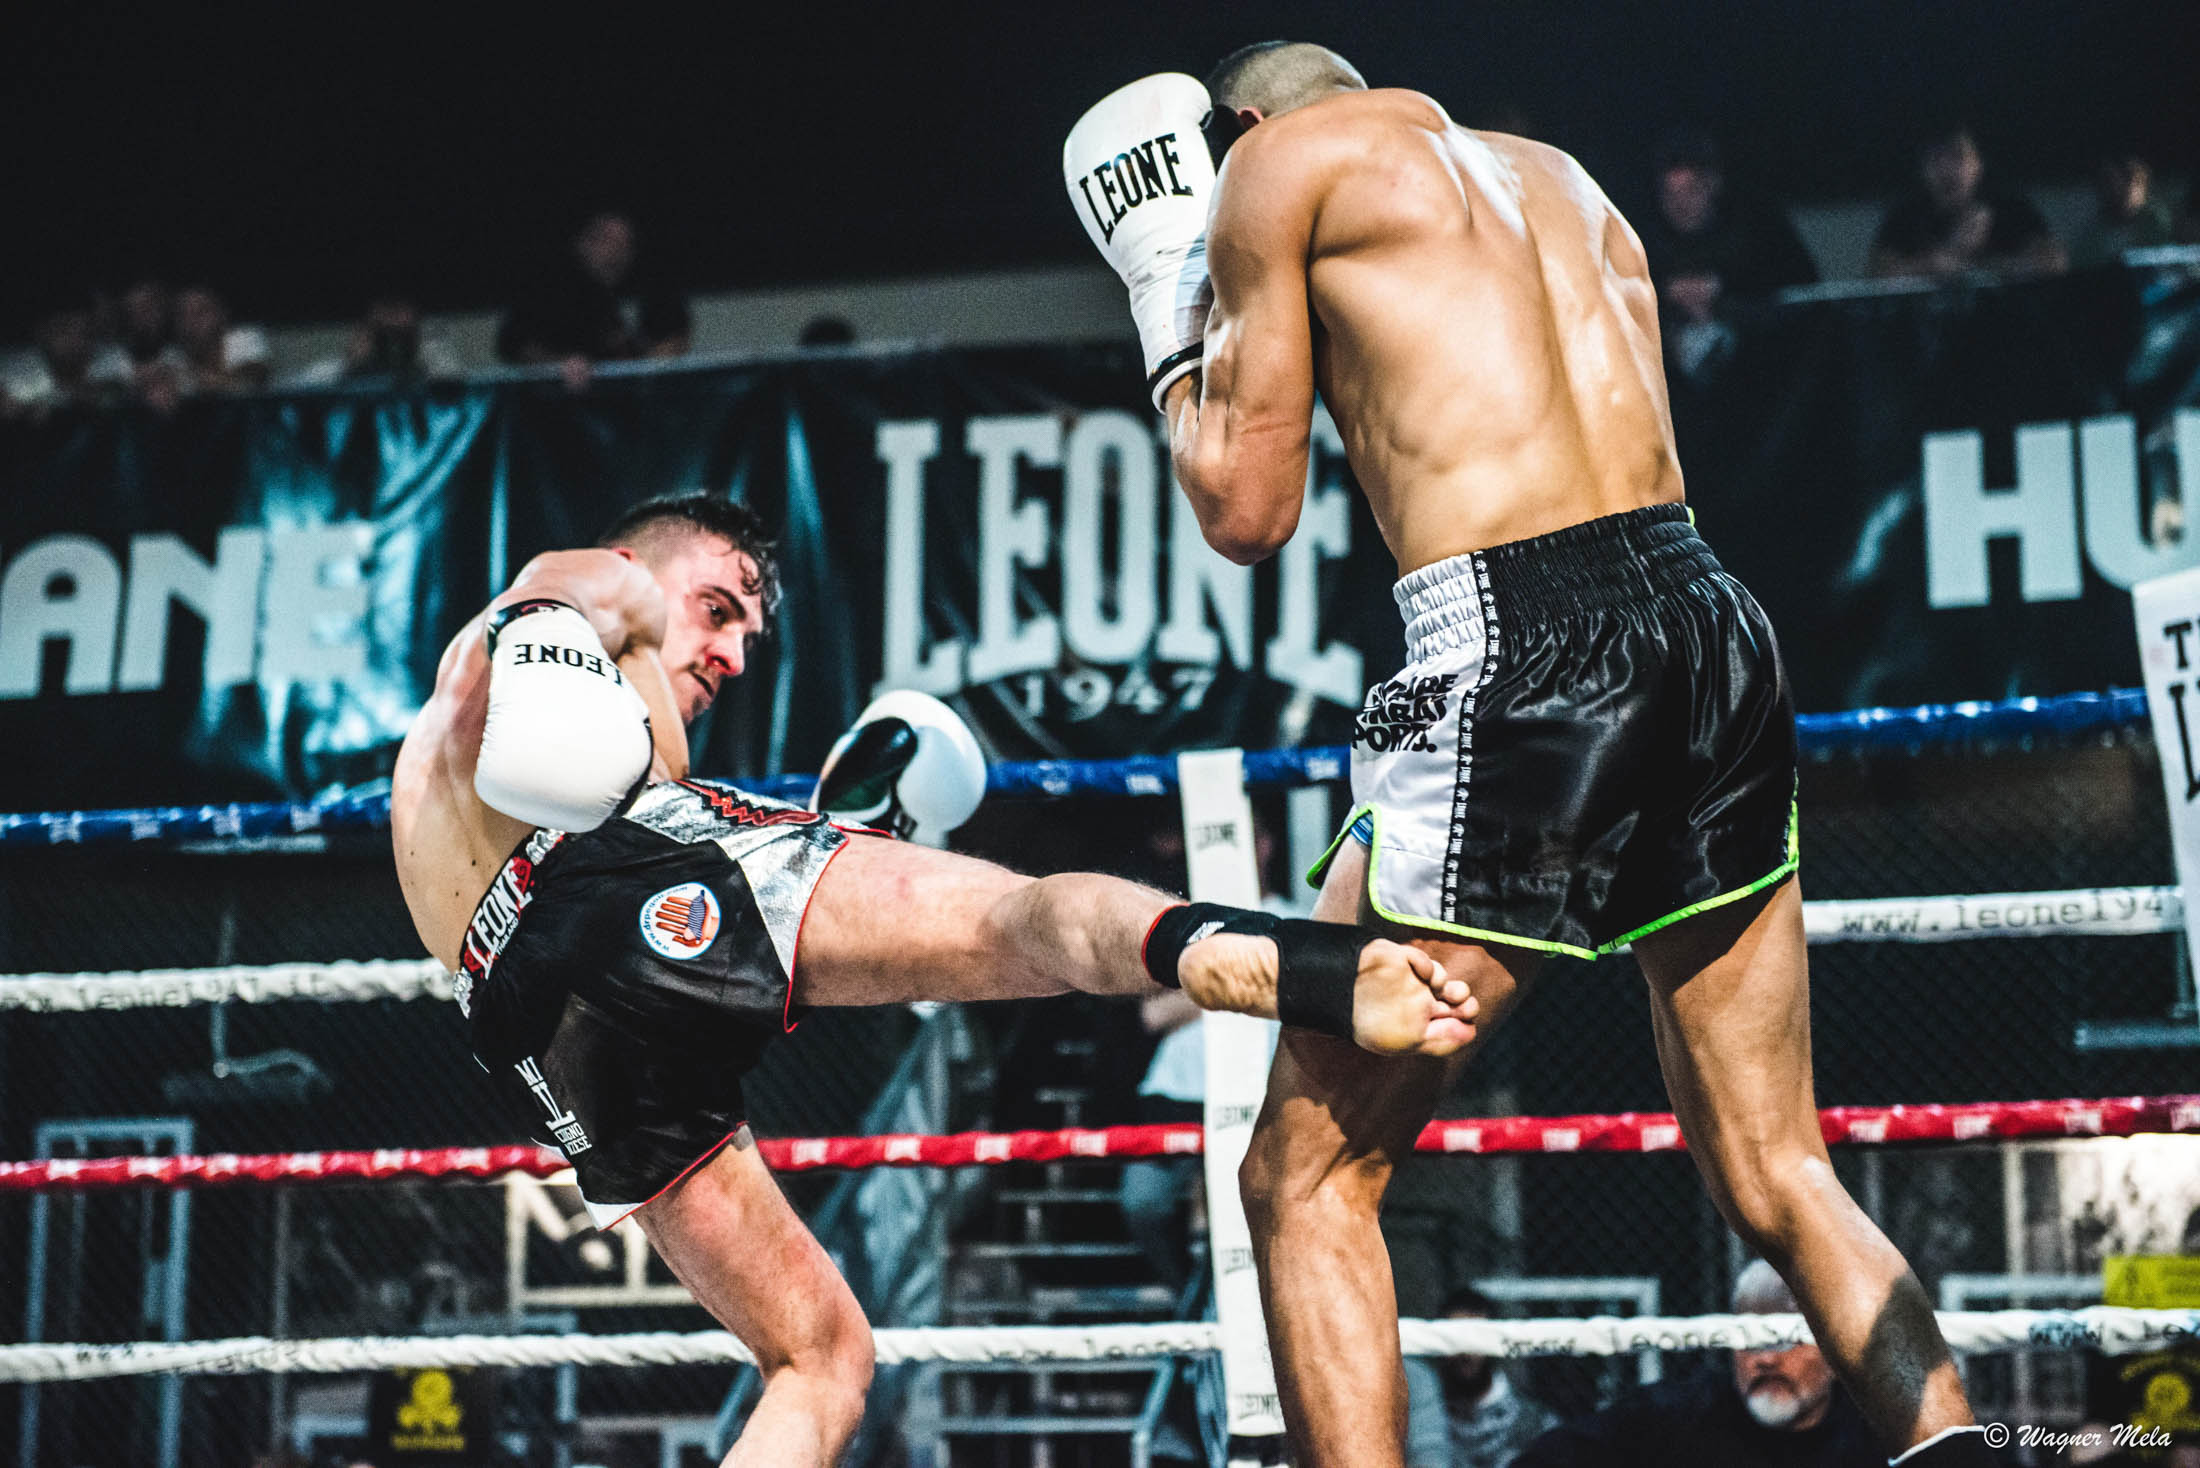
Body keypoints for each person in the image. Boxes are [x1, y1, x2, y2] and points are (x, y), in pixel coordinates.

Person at [1063, 41, 1998, 1467]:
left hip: (1517, 638)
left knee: (1302, 1178)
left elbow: (1246, 512)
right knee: (1780, 1169)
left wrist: (1167, 304)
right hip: (1708, 618)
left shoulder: (1273, 165)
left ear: (1241, 122)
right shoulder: (1564, 182)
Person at [389, 491, 1471, 1467]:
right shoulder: (593, 588)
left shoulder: (533, 733)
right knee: (1018, 920)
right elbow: (555, 588)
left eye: (748, 637)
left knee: (821, 1357)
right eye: (717, 610)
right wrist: (547, 614)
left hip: (527, 1007)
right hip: (615, 873)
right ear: (642, 564)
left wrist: (838, 831)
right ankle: (1289, 961)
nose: (731, 654)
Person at [1514, 1260, 1880, 1467]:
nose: (1766, 1358)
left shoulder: (1874, 1438)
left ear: (1835, 1356)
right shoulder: (1679, 1415)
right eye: (1748, 1339)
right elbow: (1551, 1457)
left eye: (1787, 1340)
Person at [1640, 126, 1818, 379]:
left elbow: (1800, 289)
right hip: (1670, 381)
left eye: (1692, 191)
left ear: (1713, 184)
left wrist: (1721, 291)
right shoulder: (1642, 241)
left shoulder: (1757, 231)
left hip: (1756, 374)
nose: (1681, 205)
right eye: (1670, 195)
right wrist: (1664, 293)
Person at [496, 210, 692, 373]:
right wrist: (560, 365)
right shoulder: (547, 290)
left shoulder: (650, 286)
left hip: (635, 399)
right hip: (566, 402)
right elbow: (514, 343)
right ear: (581, 244)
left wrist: (656, 361)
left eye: (626, 243)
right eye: (606, 240)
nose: (617, 251)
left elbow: (675, 336)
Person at [1867, 124, 2065, 281]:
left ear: (1978, 163)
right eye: (1936, 157)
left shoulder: (2012, 207)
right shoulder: (1905, 216)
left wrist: (1980, 268)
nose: (1946, 168)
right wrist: (1942, 258)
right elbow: (1877, 275)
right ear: (1922, 169)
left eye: (1957, 155)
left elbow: (2054, 263)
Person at [1403, 1284, 1558, 1468]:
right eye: (1453, 1339)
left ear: (1494, 1343)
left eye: (1476, 1339)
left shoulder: (1534, 1423)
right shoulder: (1421, 1418)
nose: (1465, 1351)